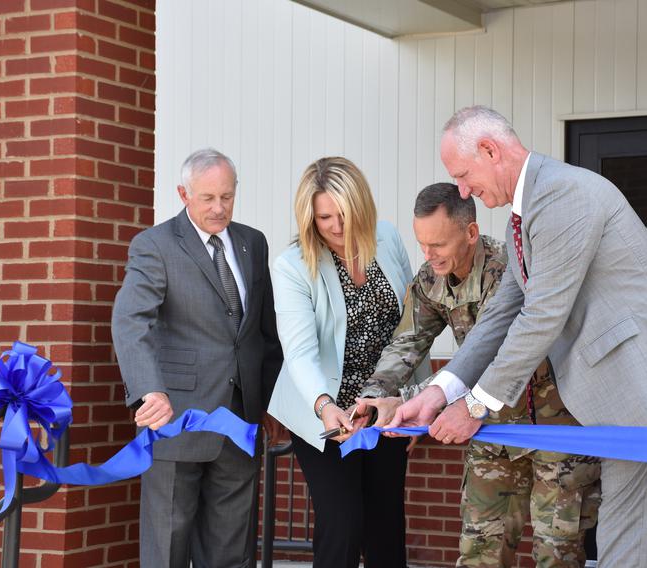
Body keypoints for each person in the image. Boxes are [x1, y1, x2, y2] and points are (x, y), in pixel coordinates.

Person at [389, 106, 647, 567]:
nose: (463, 189)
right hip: (634, 397)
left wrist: (473, 406)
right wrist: (438, 391)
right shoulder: (527, 213)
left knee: (632, 550)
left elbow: (541, 316)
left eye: (464, 175)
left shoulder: (561, 195)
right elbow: (503, 314)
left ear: (490, 149)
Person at [357, 182, 601, 567]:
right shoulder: (430, 279)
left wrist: (406, 402)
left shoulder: (509, 272)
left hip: (555, 430)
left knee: (557, 553)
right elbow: (407, 342)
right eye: (422, 244)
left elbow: (492, 356)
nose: (428, 255)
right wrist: (375, 396)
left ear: (470, 232)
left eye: (437, 244)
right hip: (489, 431)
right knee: (480, 553)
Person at [112, 148, 284, 568]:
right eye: (207, 198)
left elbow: (264, 331)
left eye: (227, 196)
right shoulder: (154, 245)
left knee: (231, 547)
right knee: (167, 547)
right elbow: (131, 321)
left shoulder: (252, 242)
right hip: (175, 417)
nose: (219, 207)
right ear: (183, 194)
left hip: (240, 417)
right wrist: (148, 390)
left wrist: (273, 402)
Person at [266, 156, 429, 568]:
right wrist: (325, 405)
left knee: (385, 522)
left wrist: (416, 402)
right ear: (310, 218)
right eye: (324, 218)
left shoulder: (387, 238)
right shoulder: (292, 267)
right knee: (343, 522)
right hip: (325, 409)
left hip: (383, 408)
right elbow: (299, 353)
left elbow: (414, 324)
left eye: (344, 214)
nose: (336, 227)